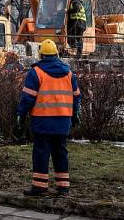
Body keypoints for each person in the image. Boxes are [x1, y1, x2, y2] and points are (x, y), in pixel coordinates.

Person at [16, 39, 81, 197]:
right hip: (63, 122)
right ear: (57, 54)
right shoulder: (69, 73)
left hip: (43, 121)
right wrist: (75, 115)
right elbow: (76, 97)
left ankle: (40, 187)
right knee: (60, 153)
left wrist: (21, 115)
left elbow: (28, 98)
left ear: (41, 55)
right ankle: (63, 187)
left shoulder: (36, 72)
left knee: (41, 153)